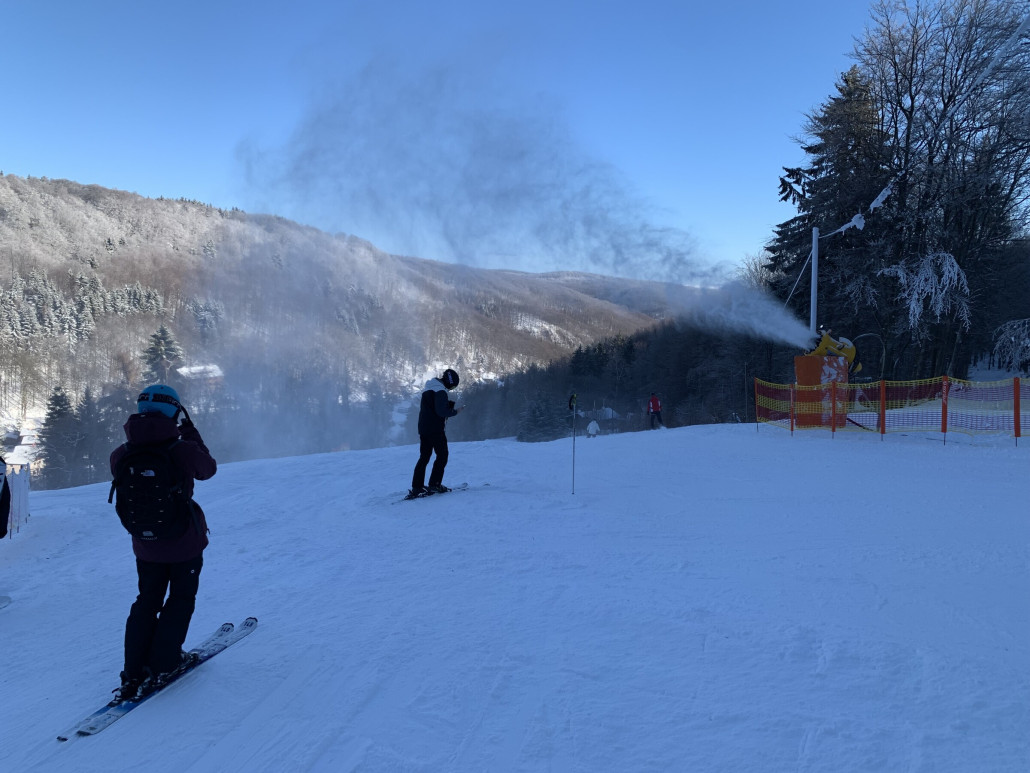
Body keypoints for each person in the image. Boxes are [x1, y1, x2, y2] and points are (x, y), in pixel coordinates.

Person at [109, 384, 217, 702]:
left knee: (147, 601)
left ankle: (133, 671)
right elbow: (207, 469)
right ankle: (165, 664)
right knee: (180, 599)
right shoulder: (180, 449)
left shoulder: (121, 454)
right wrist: (191, 434)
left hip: (145, 544)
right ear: (174, 411)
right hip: (184, 542)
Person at [409, 368, 463, 498]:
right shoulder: (440, 391)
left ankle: (417, 487)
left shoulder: (429, 387)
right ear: (450, 383)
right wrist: (456, 411)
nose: (451, 389)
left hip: (424, 428)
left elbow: (433, 409)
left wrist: (445, 406)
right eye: (453, 386)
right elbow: (441, 412)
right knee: (442, 455)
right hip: (435, 429)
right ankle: (435, 484)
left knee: (424, 456)